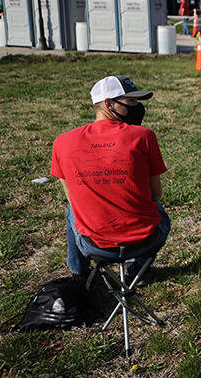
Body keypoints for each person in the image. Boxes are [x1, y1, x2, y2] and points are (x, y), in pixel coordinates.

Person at [51, 76, 170, 284]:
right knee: (159, 210)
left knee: (73, 210)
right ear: (109, 104)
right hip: (145, 241)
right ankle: (140, 270)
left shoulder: (62, 141)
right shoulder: (144, 136)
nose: (137, 107)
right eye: (131, 101)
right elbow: (155, 195)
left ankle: (80, 274)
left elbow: (72, 199)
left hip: (93, 245)